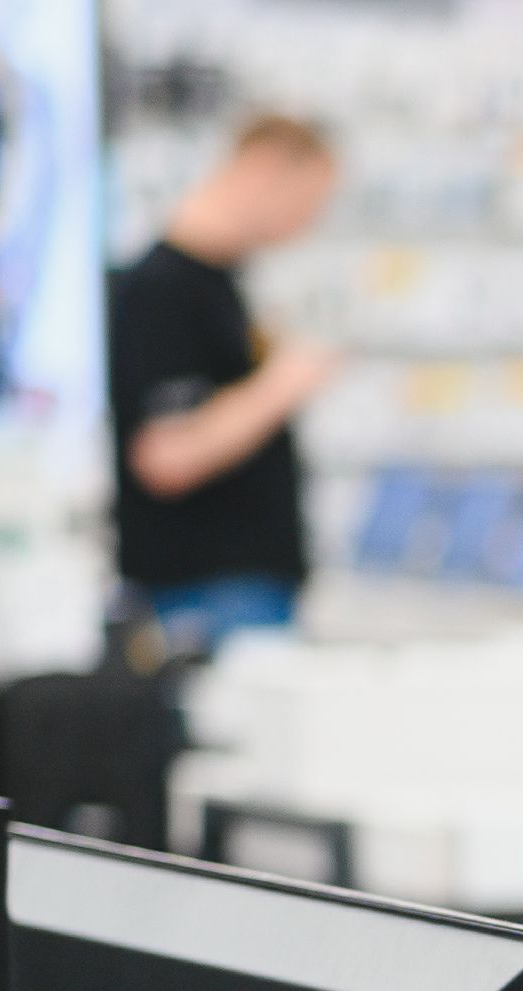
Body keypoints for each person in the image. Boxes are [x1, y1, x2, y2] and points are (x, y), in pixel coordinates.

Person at [108, 112, 338, 657]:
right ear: (264, 172)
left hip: (236, 593)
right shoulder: (163, 291)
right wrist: (281, 387)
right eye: (307, 202)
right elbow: (166, 454)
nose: (307, 223)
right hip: (208, 599)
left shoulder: (221, 285)